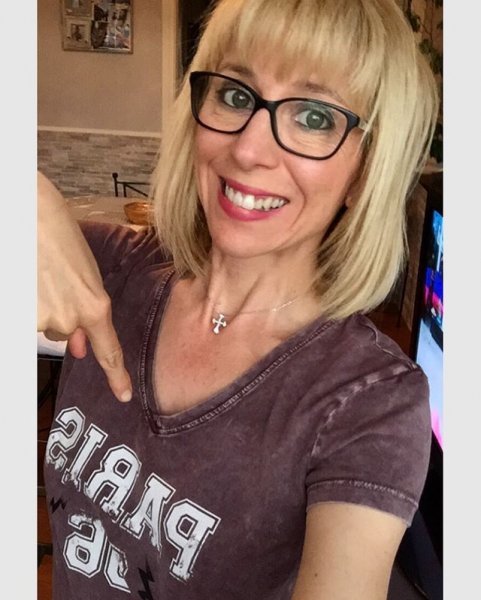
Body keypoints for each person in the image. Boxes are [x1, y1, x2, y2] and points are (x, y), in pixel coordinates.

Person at [38, 0, 439, 598]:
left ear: (366, 172)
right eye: (233, 94)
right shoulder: (107, 270)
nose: (249, 149)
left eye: (313, 117)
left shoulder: (369, 402)